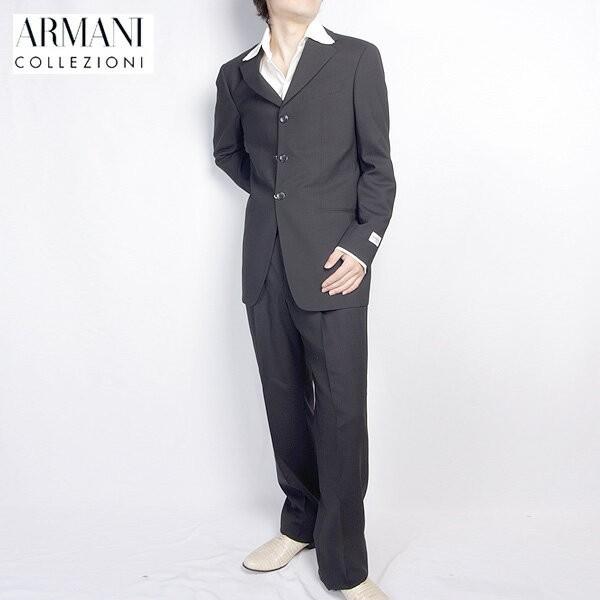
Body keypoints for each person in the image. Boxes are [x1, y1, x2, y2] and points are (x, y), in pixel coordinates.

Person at [212, 1, 395, 597]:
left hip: (335, 265)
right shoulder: (236, 75)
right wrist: (278, 200)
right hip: (266, 262)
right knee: (284, 401)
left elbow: (378, 167)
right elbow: (228, 153)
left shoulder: (356, 59)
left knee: (342, 412)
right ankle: (299, 522)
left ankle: (345, 564)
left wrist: (362, 245)